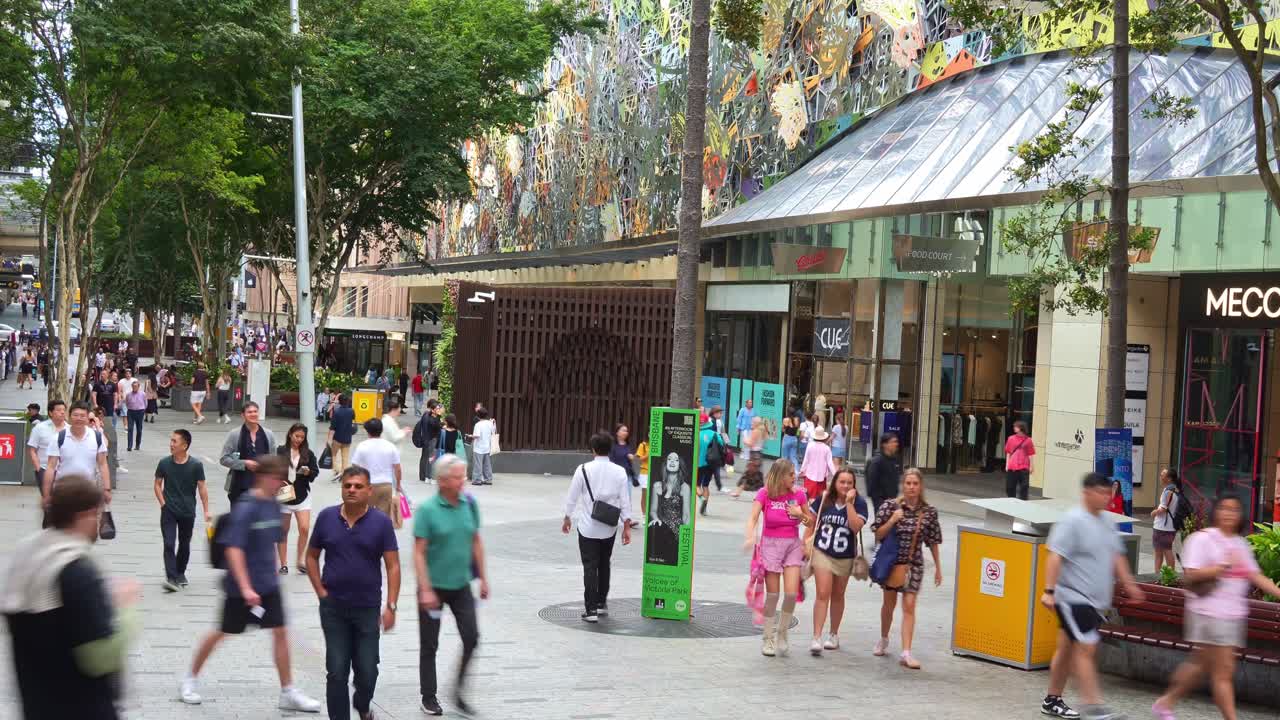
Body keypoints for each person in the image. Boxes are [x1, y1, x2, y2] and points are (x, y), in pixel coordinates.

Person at [181, 455, 322, 711]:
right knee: (221, 633)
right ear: (264, 477)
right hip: (241, 589)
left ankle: (287, 691)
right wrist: (246, 587)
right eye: (278, 478)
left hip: (268, 586)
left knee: (280, 632)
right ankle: (190, 679)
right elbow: (234, 549)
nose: (281, 483)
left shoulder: (272, 504)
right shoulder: (246, 507)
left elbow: (275, 539)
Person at [2, 477, 141, 720]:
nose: (98, 522)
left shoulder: (28, 555)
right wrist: (125, 610)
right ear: (85, 515)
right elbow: (101, 658)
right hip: (83, 707)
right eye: (97, 515)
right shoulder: (76, 569)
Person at [1151, 493, 1280, 720]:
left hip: (1232, 615)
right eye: (1225, 508)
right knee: (1223, 673)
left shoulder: (1240, 543)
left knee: (1200, 666)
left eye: (1235, 509)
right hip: (1208, 613)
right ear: (1216, 512)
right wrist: (1222, 567)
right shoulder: (1202, 539)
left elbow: (1255, 576)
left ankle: (1166, 702)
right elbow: (1191, 574)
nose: (1229, 513)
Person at [1038, 472, 1144, 720]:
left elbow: (1117, 555)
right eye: (1101, 492)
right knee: (1087, 648)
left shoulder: (1108, 521)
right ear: (1086, 493)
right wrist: (1049, 591)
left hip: (1094, 602)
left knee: (1066, 649)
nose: (1106, 497)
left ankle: (1052, 700)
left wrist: (1130, 584)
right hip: (1072, 597)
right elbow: (1055, 556)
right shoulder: (1072, 521)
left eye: (1109, 493)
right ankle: (1094, 707)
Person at [305, 466, 401, 720]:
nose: (352, 490)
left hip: (367, 608)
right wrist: (320, 592)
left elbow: (393, 565)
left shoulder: (380, 522)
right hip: (333, 607)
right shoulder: (326, 517)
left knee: (368, 669)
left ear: (369, 491)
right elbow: (312, 557)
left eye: (358, 486)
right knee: (336, 670)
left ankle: (362, 703)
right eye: (348, 485)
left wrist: (391, 606)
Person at [413, 454, 488, 716]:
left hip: (460, 585)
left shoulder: (469, 503)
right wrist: (424, 589)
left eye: (463, 476)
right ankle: (429, 696)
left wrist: (484, 578)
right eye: (458, 477)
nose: (462, 481)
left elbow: (476, 539)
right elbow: (419, 553)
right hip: (432, 587)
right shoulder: (428, 510)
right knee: (429, 644)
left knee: (472, 637)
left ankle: (458, 691)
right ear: (442, 481)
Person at [871, 468, 943, 670]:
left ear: (921, 487)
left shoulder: (928, 512)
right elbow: (878, 533)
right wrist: (893, 519)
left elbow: (933, 541)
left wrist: (938, 568)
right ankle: (884, 638)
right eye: (908, 483)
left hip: (914, 564)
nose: (911, 487)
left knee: (909, 605)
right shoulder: (890, 506)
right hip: (892, 563)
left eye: (915, 484)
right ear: (903, 485)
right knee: (889, 604)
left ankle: (906, 652)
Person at [562, 431, 634, 623]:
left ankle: (591, 609)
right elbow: (625, 501)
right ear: (610, 449)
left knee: (589, 567)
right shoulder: (619, 471)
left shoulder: (583, 469)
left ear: (593, 449)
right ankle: (601, 603)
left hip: (588, 526)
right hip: (609, 527)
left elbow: (572, 496)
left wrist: (567, 517)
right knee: (604, 564)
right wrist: (626, 525)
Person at [744, 459, 812, 656]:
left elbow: (810, 522)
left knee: (791, 594)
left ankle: (782, 632)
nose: (795, 477)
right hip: (770, 545)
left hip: (792, 544)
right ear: (780, 476)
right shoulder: (765, 493)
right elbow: (753, 517)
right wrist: (750, 535)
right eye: (791, 474)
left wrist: (800, 514)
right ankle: (768, 638)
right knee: (773, 595)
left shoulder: (799, 494)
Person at [805, 466, 868, 655]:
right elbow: (811, 521)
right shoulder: (824, 499)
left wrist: (849, 504)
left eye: (849, 482)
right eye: (842, 481)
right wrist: (805, 544)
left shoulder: (860, 503)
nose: (845, 485)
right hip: (822, 552)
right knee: (823, 592)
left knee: (838, 594)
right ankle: (816, 637)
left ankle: (833, 634)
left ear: (854, 485)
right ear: (835, 482)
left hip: (845, 556)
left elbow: (856, 527)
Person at [154, 429, 210, 592]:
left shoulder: (196, 465)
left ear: (184, 446)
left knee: (184, 544)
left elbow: (202, 488)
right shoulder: (164, 463)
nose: (171, 444)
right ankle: (171, 577)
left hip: (187, 511)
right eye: (171, 441)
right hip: (169, 510)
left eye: (174, 441)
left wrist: (206, 510)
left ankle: (180, 572)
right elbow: (157, 484)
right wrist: (163, 503)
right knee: (169, 543)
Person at [44, 402, 111, 505]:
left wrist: (107, 489)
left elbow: (103, 464)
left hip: (89, 490)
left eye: (82, 416)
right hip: (63, 491)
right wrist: (46, 494)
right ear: (69, 416)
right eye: (75, 415)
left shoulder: (97, 437)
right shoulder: (58, 438)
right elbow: (50, 467)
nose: (79, 418)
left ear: (87, 418)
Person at [278, 423, 320, 575]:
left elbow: (315, 473)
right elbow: (273, 470)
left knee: (304, 528)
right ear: (290, 434)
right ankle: (283, 564)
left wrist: (308, 472)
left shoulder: (308, 454)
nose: (299, 439)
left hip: (302, 495)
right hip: (284, 495)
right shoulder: (280, 451)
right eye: (297, 436)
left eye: (302, 437)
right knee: (283, 530)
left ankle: (300, 560)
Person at [220, 401, 278, 505]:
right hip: (240, 487)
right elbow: (224, 459)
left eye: (255, 411)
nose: (253, 414)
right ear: (243, 415)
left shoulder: (268, 434)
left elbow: (274, 460)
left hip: (263, 488)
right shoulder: (235, 434)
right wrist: (245, 463)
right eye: (249, 412)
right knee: (239, 520)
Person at [351, 418, 405, 526]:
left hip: (367, 485)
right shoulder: (390, 446)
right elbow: (397, 468)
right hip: (385, 485)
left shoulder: (362, 446)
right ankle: (380, 538)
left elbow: (354, 466)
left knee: (365, 515)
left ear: (367, 431)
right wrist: (398, 485)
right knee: (383, 517)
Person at [26, 400, 67, 499]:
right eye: (58, 410)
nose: (62, 412)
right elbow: (32, 449)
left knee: (62, 502)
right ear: (50, 413)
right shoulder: (40, 428)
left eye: (64, 410)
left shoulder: (70, 429)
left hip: (64, 471)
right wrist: (38, 469)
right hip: (44, 469)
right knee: (48, 501)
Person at [1150, 468, 1182, 573]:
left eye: (1163, 474)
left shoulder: (1168, 490)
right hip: (1170, 526)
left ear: (1169, 479)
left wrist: (1154, 512)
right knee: (1167, 550)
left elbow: (1163, 509)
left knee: (1161, 552)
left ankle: (1157, 575)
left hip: (1162, 527)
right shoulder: (1176, 490)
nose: (1160, 475)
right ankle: (1169, 576)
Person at [865, 432, 903, 516]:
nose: (896, 444)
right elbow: (871, 482)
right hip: (881, 501)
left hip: (892, 500)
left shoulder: (895, 460)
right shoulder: (877, 461)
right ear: (885, 444)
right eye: (893, 442)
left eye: (896, 442)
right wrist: (877, 499)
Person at [695, 410, 725, 517]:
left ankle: (701, 498)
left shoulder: (696, 435)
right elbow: (722, 446)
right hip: (711, 463)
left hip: (699, 464)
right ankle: (704, 509)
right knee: (706, 485)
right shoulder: (715, 434)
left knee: (696, 485)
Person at [799, 425, 835, 502]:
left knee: (808, 497)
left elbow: (806, 459)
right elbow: (830, 463)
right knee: (820, 498)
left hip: (810, 474)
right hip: (821, 476)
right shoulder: (827, 448)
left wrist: (802, 470)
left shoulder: (810, 446)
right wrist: (835, 474)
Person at [1004, 420, 1035, 500]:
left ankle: (1023, 502)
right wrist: (1007, 464)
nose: (1014, 428)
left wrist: (1032, 466)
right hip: (1012, 466)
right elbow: (1008, 452)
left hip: (1024, 467)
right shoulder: (1011, 438)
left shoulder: (1028, 440)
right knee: (1010, 487)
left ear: (1021, 428)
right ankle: (1012, 501)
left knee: (1024, 486)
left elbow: (1031, 454)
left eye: (1016, 427)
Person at [413, 400, 443, 483]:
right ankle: (425, 476)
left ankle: (423, 475)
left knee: (425, 457)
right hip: (429, 439)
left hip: (426, 438)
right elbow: (435, 426)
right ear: (432, 408)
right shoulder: (430, 417)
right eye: (437, 408)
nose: (439, 409)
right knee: (428, 458)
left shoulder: (426, 415)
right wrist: (439, 417)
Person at [328, 394, 357, 478]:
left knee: (333, 455)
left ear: (339, 402)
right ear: (348, 401)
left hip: (337, 438)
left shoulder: (336, 412)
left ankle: (336, 470)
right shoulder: (351, 411)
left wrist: (329, 439)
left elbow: (332, 427)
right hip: (347, 438)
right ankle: (344, 472)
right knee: (345, 457)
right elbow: (353, 419)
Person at [469, 408, 496, 486]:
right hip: (487, 447)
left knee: (478, 464)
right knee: (487, 464)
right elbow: (493, 432)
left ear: (478, 416)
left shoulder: (478, 424)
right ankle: (488, 479)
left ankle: (477, 480)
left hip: (478, 447)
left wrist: (470, 436)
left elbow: (477, 435)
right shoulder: (490, 423)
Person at [608, 423, 639, 488]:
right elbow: (610, 461)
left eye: (626, 431)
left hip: (628, 476)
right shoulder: (612, 445)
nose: (626, 432)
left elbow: (635, 459)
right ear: (617, 432)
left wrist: (634, 458)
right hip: (615, 476)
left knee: (627, 497)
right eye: (623, 430)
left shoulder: (629, 445)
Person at [124, 378, 146, 451]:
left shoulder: (143, 394)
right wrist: (130, 408)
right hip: (131, 412)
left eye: (136, 386)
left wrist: (143, 410)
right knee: (130, 429)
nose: (134, 388)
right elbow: (126, 403)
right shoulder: (128, 394)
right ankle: (129, 446)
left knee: (139, 429)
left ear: (138, 387)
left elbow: (145, 403)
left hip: (140, 412)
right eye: (133, 386)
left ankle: (137, 445)